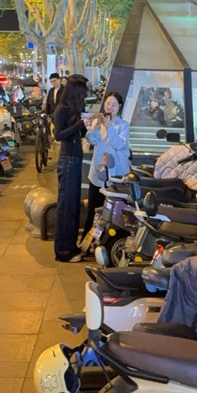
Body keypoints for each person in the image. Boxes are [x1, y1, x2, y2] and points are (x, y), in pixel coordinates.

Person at [80, 92, 130, 241]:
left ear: (119, 106)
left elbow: (118, 144)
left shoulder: (123, 125)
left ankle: (114, 243)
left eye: (114, 104)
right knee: (94, 209)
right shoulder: (99, 122)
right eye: (108, 104)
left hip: (117, 175)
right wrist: (95, 127)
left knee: (116, 211)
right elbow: (92, 140)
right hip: (98, 173)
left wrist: (109, 127)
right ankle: (88, 242)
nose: (110, 107)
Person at [52, 74, 89, 262]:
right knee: (66, 207)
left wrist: (87, 125)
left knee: (73, 206)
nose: (84, 96)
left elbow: (77, 133)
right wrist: (80, 124)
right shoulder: (62, 109)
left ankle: (71, 247)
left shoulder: (75, 109)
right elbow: (59, 135)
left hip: (74, 158)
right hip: (67, 160)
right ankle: (63, 251)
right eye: (82, 93)